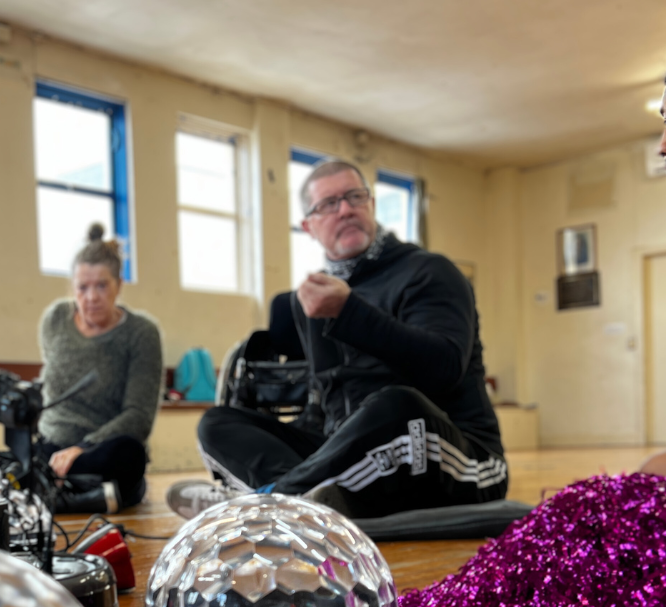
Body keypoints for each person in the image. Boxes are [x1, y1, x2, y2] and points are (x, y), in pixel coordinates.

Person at [169, 158, 506, 520]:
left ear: (371, 205)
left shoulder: (430, 271)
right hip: (363, 461)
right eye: (329, 204)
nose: (345, 209)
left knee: (398, 407)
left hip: (454, 453)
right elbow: (327, 405)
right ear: (308, 227)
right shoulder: (315, 298)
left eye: (354, 197)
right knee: (218, 423)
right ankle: (310, 499)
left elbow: (444, 369)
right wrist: (303, 445)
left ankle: (266, 505)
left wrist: (349, 313)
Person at [37, 224, 163, 513]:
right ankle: (93, 495)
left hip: (100, 450)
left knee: (131, 456)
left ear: (119, 285)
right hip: (51, 445)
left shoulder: (141, 333)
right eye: (83, 287)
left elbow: (139, 416)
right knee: (9, 458)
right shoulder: (56, 318)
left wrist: (83, 448)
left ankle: (54, 494)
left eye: (102, 286)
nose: (91, 297)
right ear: (73, 288)